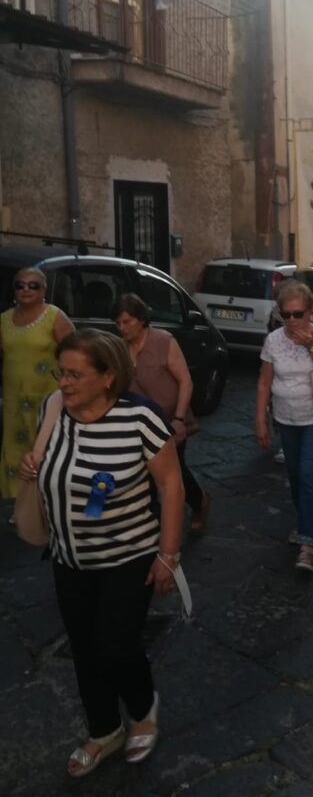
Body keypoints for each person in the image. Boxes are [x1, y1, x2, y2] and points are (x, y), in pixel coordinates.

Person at [18, 329, 184, 777]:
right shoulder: (55, 409)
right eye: (61, 372)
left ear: (108, 376)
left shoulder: (141, 418)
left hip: (128, 558)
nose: (64, 382)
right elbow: (39, 462)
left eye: (75, 374)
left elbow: (170, 485)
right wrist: (29, 464)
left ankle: (143, 705)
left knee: (116, 645)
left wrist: (168, 555)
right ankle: (104, 729)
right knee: (86, 650)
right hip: (69, 559)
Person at [255, 281, 313, 573]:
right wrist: (260, 420)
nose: (291, 320)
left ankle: (307, 543)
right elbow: (264, 382)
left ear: (311, 312)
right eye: (286, 314)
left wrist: (311, 346)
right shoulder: (273, 340)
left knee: (308, 474)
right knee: (295, 475)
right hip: (284, 419)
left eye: (297, 313)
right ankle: (305, 520)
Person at [113, 294, 210, 531]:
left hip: (169, 420)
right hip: (137, 423)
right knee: (145, 475)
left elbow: (185, 381)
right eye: (118, 323)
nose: (122, 328)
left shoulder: (164, 341)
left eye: (127, 322)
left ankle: (199, 502)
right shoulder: (119, 349)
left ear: (141, 319)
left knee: (175, 472)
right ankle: (154, 525)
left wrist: (178, 419)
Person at [0, 267, 74, 498]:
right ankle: (17, 501)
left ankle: (46, 501)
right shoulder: (3, 320)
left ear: (44, 290)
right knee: (14, 449)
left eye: (33, 285)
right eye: (20, 285)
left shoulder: (55, 317)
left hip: (47, 399)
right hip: (14, 398)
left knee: (44, 448)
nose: (26, 290)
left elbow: (76, 353)